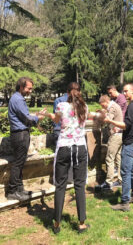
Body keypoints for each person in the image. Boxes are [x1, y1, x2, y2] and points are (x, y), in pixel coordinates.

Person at [41, 88, 93, 234]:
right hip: (80, 147)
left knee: (60, 185)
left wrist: (46, 115)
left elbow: (56, 120)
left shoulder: (61, 106)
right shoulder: (85, 107)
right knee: (79, 185)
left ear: (68, 96)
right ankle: (81, 223)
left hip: (64, 147)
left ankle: (56, 224)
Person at [104, 83, 133, 212]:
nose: (124, 93)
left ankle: (125, 202)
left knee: (125, 173)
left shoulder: (132, 106)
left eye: (126, 91)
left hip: (130, 143)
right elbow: (132, 124)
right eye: (123, 91)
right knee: (132, 170)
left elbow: (126, 125)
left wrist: (111, 121)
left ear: (132, 91)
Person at [7, 77, 44, 201]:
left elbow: (25, 116)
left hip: (21, 134)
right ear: (21, 87)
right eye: (29, 88)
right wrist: (38, 118)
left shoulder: (18, 98)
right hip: (20, 135)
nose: (30, 91)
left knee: (20, 162)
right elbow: (27, 119)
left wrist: (36, 115)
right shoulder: (17, 99)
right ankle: (12, 191)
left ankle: (19, 189)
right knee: (18, 163)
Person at [53, 82, 81, 184]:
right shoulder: (81, 103)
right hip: (76, 136)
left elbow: (57, 119)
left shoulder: (59, 101)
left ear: (67, 91)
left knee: (62, 160)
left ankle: (61, 179)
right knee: (73, 158)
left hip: (61, 132)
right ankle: (71, 178)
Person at [96, 95, 123, 191]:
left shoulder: (112, 107)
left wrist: (98, 116)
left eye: (103, 105)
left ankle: (108, 183)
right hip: (121, 134)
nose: (103, 107)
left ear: (106, 101)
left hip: (115, 135)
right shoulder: (115, 105)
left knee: (109, 158)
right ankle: (120, 180)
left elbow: (106, 120)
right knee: (118, 158)